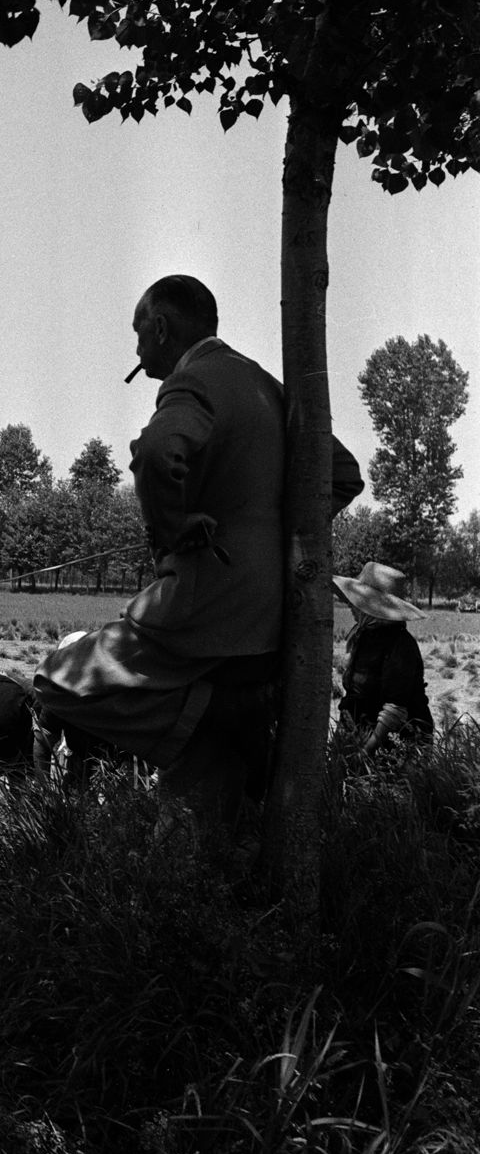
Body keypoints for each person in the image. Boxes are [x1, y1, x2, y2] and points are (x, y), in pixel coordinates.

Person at [34, 276, 363, 833]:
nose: (138, 349)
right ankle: (216, 734)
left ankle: (208, 713)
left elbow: (157, 453)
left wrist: (173, 529)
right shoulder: (263, 385)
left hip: (206, 605)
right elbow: (344, 474)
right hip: (270, 620)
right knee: (206, 810)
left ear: (161, 328)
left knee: (56, 681)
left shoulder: (191, 381)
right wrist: (277, 537)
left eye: (139, 334)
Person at [334, 562, 434, 748]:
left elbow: (394, 710)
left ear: (373, 608)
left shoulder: (401, 646)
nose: (350, 605)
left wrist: (366, 752)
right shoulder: (364, 636)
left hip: (395, 743)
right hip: (362, 734)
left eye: (357, 602)